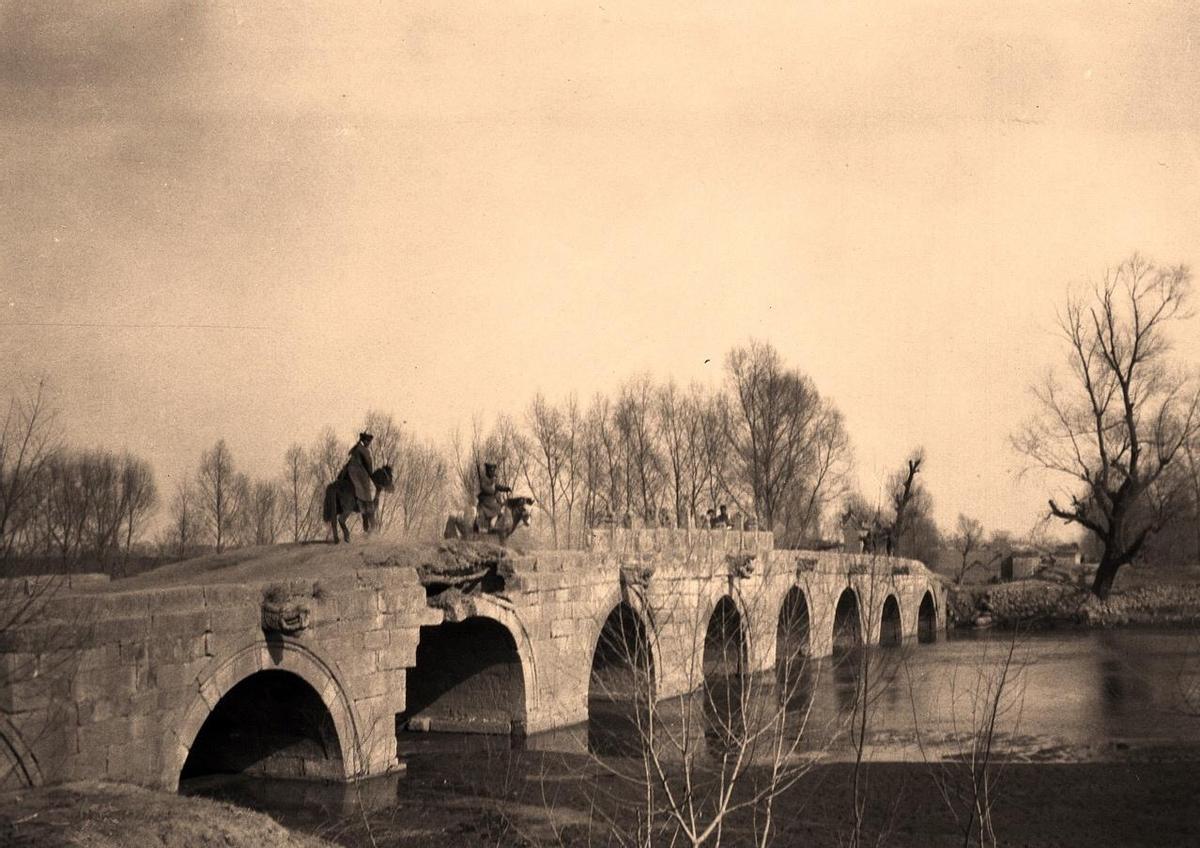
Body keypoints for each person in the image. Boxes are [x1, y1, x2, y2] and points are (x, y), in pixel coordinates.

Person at [475, 461, 511, 532]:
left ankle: (494, 524)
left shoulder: (493, 480)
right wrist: (492, 488)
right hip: (485, 500)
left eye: (493, 470)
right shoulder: (484, 479)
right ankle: (490, 526)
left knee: (500, 507)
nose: (493, 472)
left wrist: (506, 488)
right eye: (491, 470)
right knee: (497, 508)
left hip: (491, 500)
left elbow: (499, 486)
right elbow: (484, 488)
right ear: (488, 471)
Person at [345, 432, 375, 504]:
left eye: (369, 442)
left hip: (348, 470)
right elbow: (368, 465)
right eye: (367, 441)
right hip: (358, 471)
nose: (368, 443)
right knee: (367, 488)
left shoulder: (356, 447)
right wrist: (371, 475)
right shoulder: (365, 451)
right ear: (364, 441)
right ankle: (367, 504)